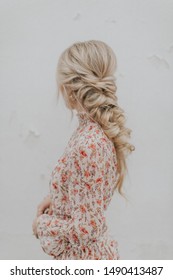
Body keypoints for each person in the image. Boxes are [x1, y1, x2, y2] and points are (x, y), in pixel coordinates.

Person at [32, 40, 135, 259]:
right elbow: (88, 192)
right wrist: (58, 198)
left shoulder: (88, 143)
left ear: (69, 88)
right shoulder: (90, 132)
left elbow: (87, 229)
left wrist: (42, 225)